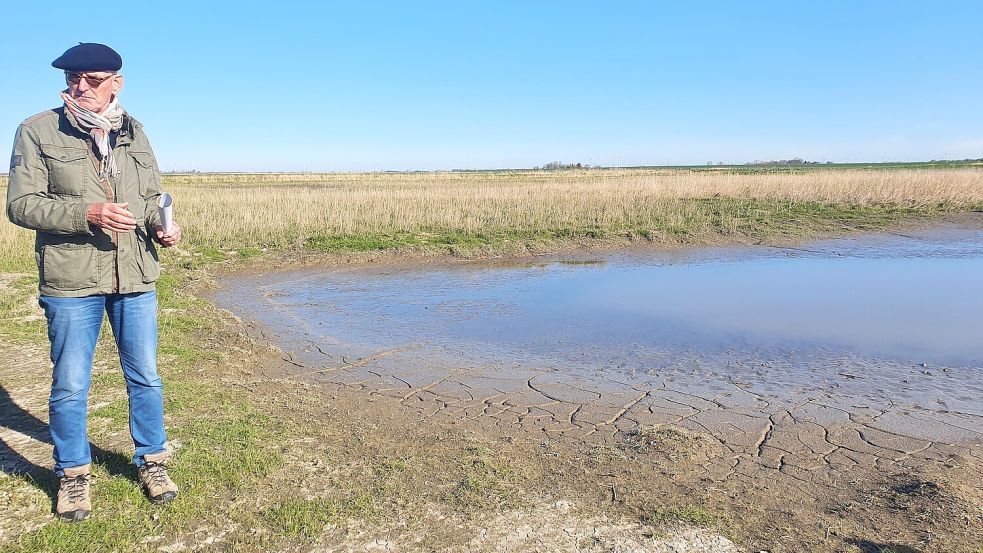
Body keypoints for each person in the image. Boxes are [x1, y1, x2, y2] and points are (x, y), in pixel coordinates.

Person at [5, 43, 182, 522]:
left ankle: (153, 461)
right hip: (71, 280)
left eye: (92, 79)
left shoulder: (135, 131)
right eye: (72, 78)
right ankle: (73, 474)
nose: (80, 87)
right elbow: (21, 205)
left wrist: (162, 226)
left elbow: (150, 197)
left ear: (116, 83)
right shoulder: (37, 129)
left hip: (136, 276)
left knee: (145, 377)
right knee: (71, 384)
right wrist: (87, 213)